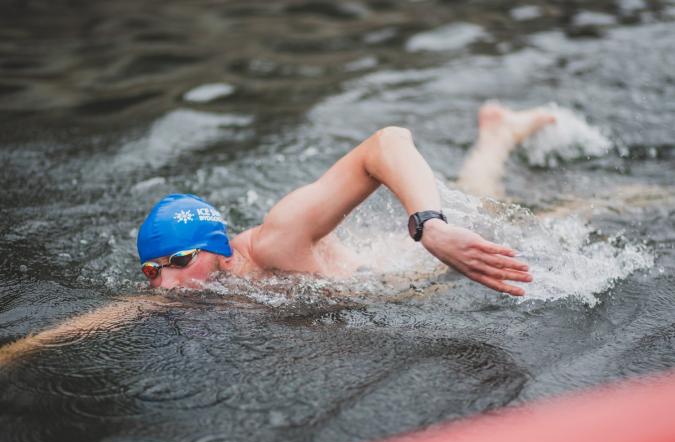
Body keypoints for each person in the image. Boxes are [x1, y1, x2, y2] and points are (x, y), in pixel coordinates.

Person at [138, 103, 556, 297]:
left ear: (217, 249)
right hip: (392, 265)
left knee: (507, 210)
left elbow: (385, 143)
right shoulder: (205, 289)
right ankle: (496, 132)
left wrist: (431, 227)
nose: (165, 284)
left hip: (431, 262)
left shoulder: (277, 241)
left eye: (178, 262)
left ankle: (497, 135)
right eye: (152, 272)